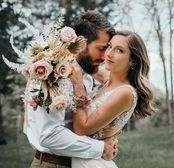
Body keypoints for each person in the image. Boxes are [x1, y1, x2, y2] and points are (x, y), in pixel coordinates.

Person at [24, 10, 117, 168]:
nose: (104, 56)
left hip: (80, 162)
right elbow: (48, 136)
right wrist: (100, 148)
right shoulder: (52, 74)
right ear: (81, 43)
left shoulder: (85, 75)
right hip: (52, 164)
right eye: (101, 49)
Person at [69, 30, 155, 168]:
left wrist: (78, 88)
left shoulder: (125, 93)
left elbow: (81, 129)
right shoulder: (109, 79)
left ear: (132, 60)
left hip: (90, 163)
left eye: (119, 50)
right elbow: (85, 63)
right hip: (84, 158)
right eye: (109, 46)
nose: (109, 54)